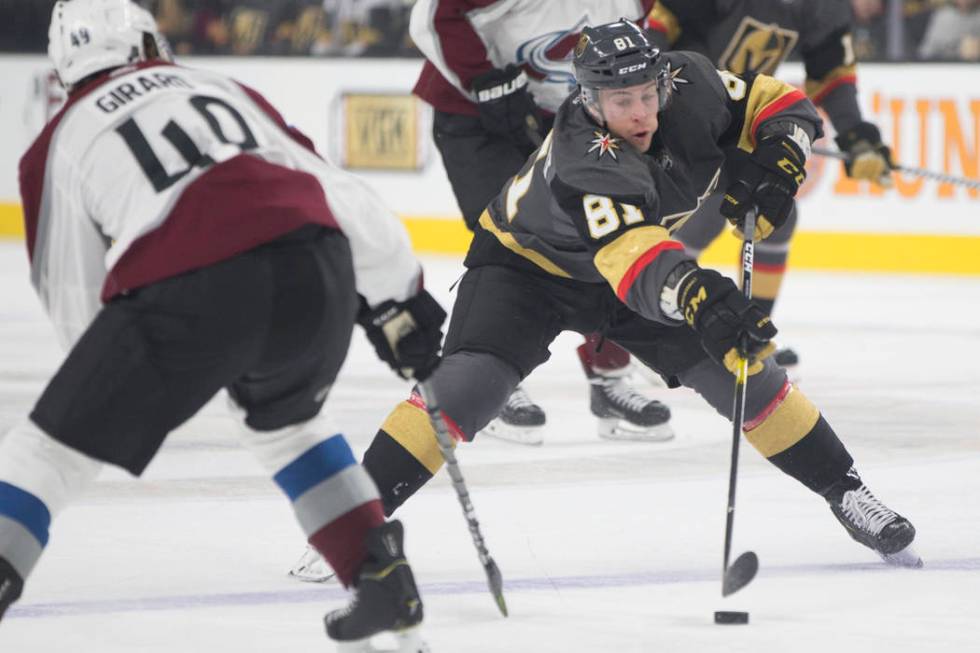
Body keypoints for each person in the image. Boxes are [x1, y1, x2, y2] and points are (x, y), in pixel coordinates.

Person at [359, 20, 921, 570]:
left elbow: (779, 102)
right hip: (526, 270)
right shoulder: (584, 156)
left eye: (649, 93)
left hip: (635, 262)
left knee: (748, 376)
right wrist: (700, 296)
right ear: (587, 99)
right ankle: (354, 526)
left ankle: (847, 492)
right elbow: (632, 258)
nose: (642, 113)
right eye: (621, 99)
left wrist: (781, 161)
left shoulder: (690, 82)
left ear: (663, 80)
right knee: (465, 389)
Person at [0, 2, 445, 650]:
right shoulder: (221, 86)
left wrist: (107, 393)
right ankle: (381, 577)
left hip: (192, 285)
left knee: (44, 453)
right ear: (150, 40)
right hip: (314, 266)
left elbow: (73, 291)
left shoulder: (57, 141)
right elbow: (334, 189)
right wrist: (399, 299)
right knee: (287, 425)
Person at [406, 0, 672, 446]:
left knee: (608, 231)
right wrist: (485, 81)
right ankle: (482, 381)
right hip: (477, 118)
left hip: (572, 116)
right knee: (508, 243)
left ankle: (609, 381)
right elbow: (431, 17)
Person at [646, 0, 896, 372]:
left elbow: (831, 74)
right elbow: (654, 35)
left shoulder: (821, 9)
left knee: (773, 210)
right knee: (702, 214)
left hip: (736, 115)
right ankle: (652, 329)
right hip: (678, 108)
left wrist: (856, 135)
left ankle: (750, 336)